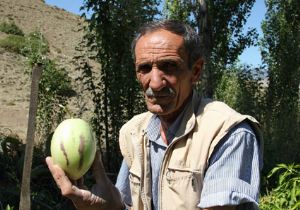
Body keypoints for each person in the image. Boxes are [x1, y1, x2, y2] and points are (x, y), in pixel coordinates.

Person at [46, 20, 263, 210]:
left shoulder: (228, 133)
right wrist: (106, 206)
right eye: (145, 68)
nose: (156, 83)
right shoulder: (134, 133)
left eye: (169, 67)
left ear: (195, 71)